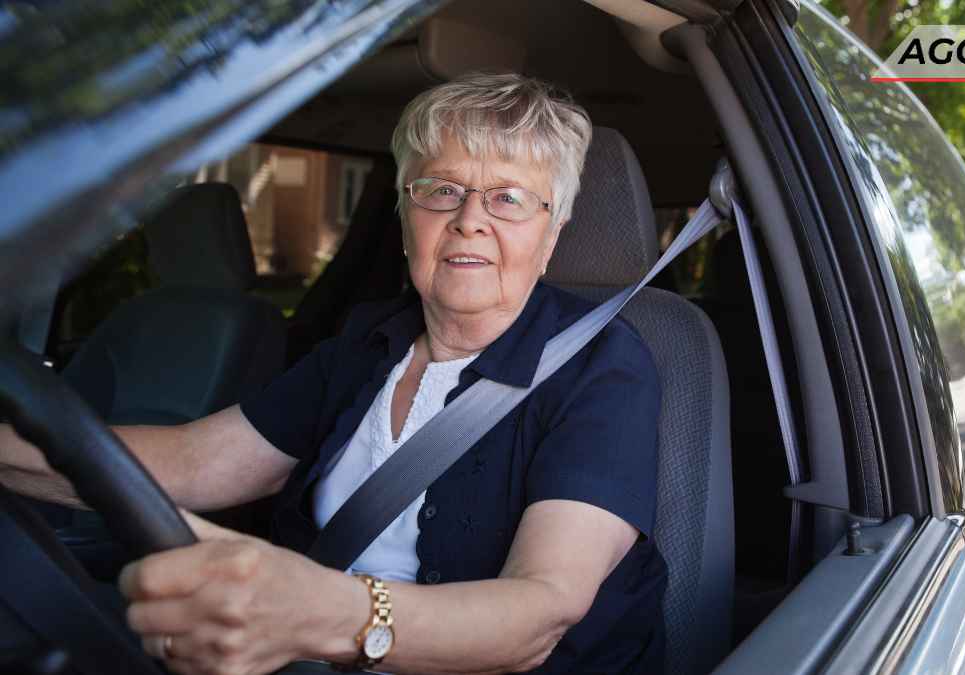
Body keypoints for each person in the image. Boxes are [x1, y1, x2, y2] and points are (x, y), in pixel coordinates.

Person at [0, 72, 666, 675]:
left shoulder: (604, 368)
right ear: (406, 218)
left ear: (553, 230)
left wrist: (322, 612)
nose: (469, 221)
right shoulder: (365, 343)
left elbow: (537, 614)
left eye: (509, 199)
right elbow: (190, 462)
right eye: (440, 190)